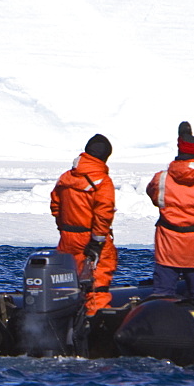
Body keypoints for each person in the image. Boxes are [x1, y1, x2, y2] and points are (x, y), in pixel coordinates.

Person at [145, 121, 194, 297]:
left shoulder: (161, 179)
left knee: (163, 293)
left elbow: (153, 195)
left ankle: (162, 321)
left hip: (168, 246)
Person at [50, 133, 117, 315]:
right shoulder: (102, 182)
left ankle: (64, 326)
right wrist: (97, 242)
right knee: (97, 286)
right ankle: (94, 329)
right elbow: (103, 214)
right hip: (90, 239)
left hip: (67, 239)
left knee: (68, 285)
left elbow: (56, 205)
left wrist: (64, 228)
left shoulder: (65, 178)